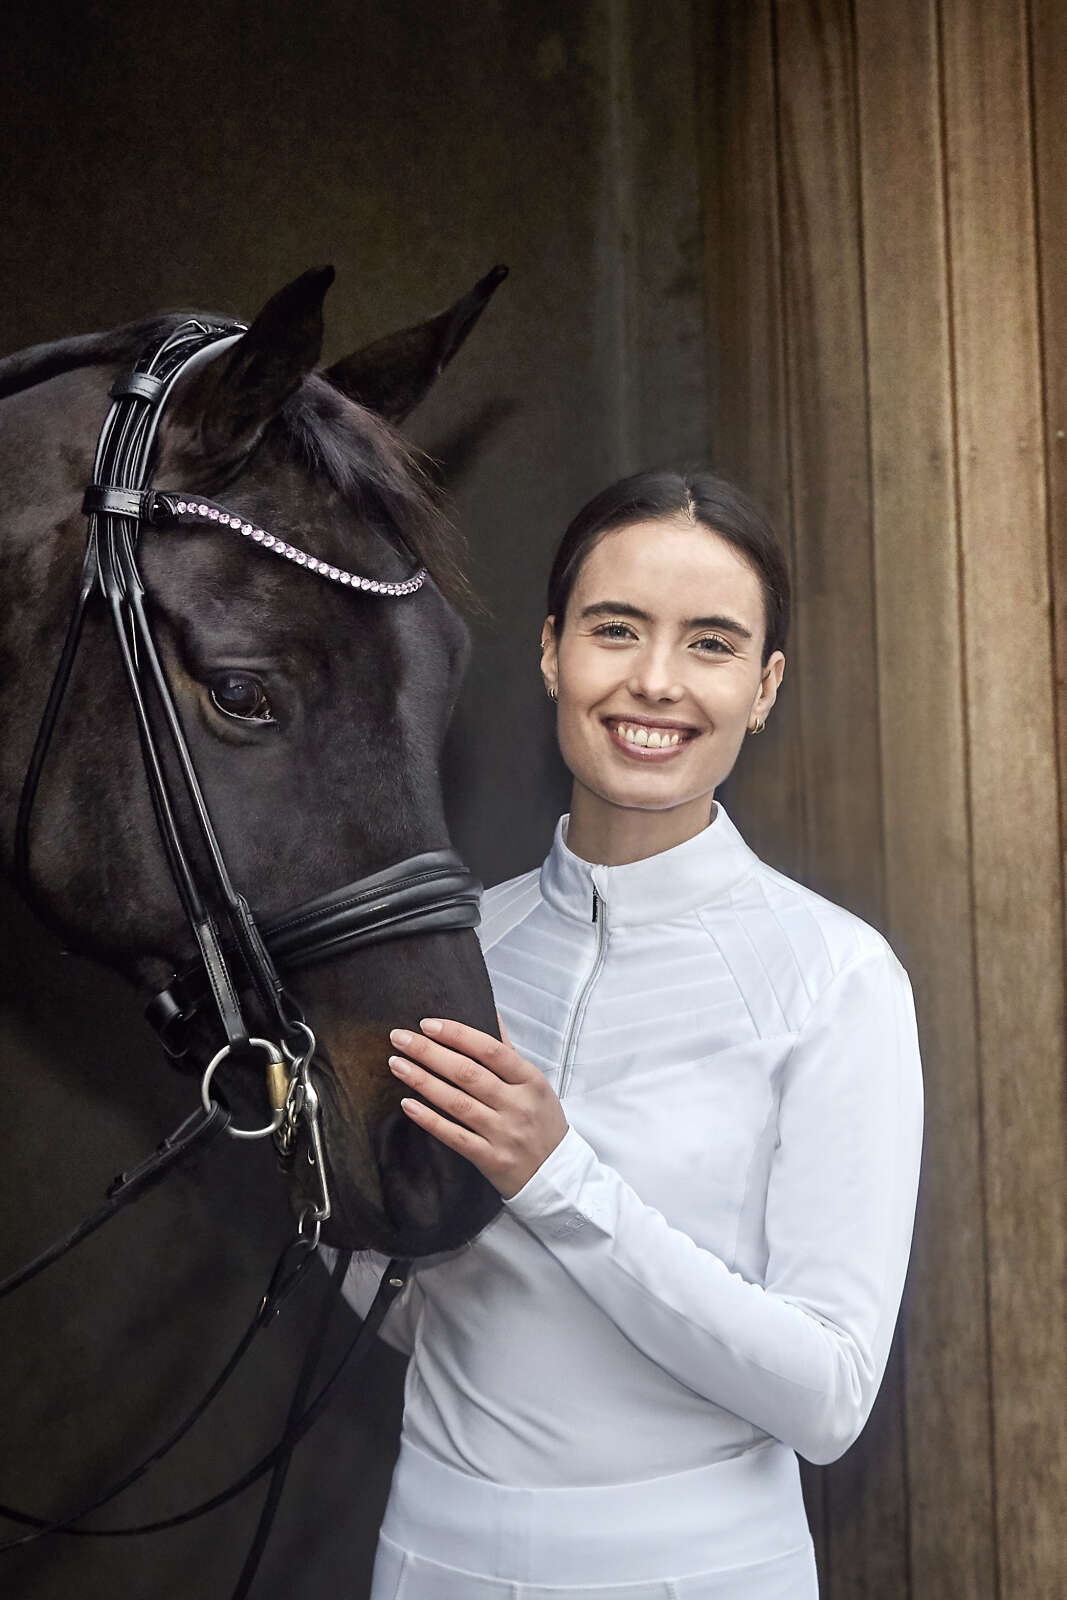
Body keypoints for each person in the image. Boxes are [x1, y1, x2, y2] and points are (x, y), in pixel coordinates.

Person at [344, 469, 923, 1599]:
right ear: (554, 650)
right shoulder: (456, 954)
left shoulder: (834, 977)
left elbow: (828, 1398)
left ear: (764, 688)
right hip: (430, 1556)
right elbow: (436, 1316)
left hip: (701, 1571)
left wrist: (556, 1175)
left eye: (710, 644)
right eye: (617, 629)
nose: (653, 681)